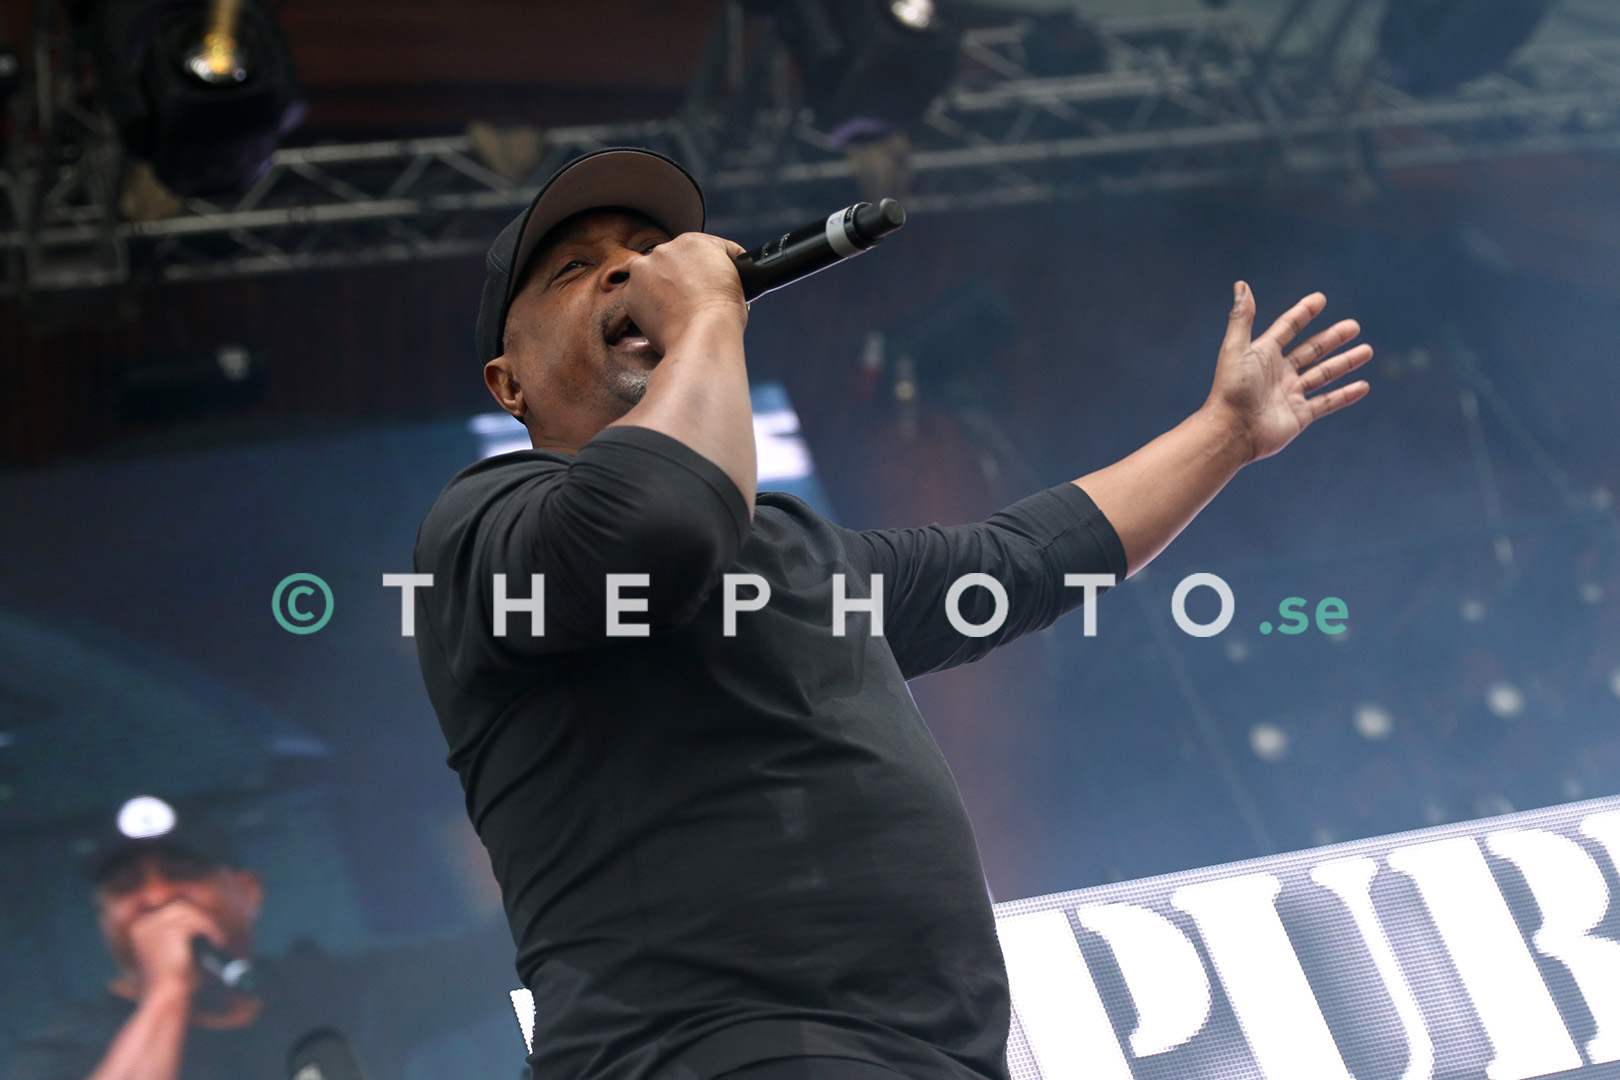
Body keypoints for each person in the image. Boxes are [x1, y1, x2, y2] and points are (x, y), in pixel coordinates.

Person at [410, 147, 1371, 1080]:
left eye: (649, 247)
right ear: (509, 382)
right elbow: (657, 523)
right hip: (702, 1049)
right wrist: (704, 312)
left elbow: (1025, 560)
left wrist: (1225, 433)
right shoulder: (487, 528)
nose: (633, 267)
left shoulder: (794, 550)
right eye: (576, 269)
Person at [7, 797, 517, 1080]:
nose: (157, 897)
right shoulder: (68, 1052)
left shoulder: (336, 991)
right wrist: (168, 993)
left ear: (247, 892)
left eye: (183, 874)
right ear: (103, 920)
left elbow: (497, 955)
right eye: (126, 886)